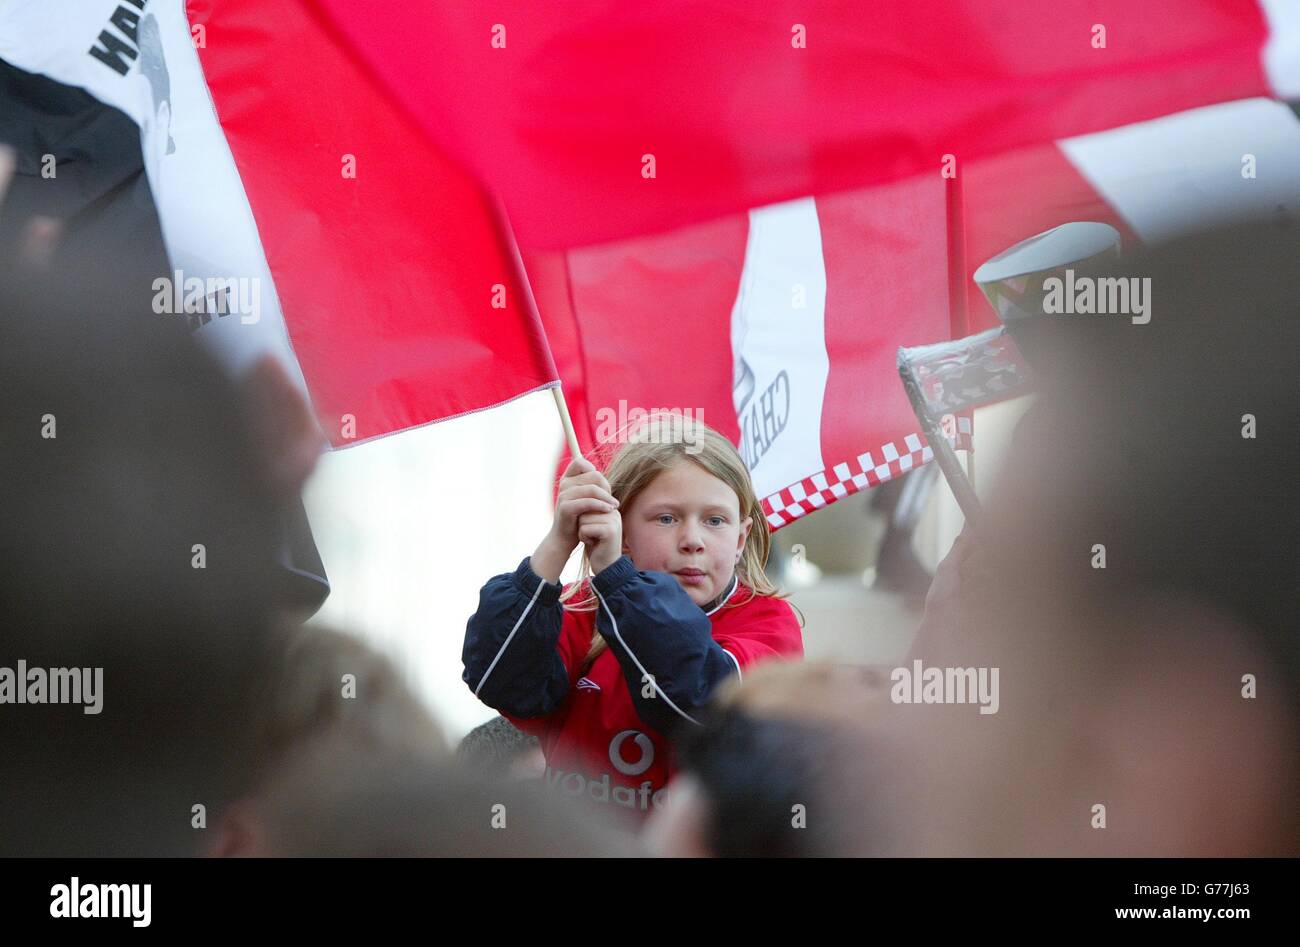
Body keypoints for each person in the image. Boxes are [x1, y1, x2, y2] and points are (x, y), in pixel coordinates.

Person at [461, 411, 804, 822]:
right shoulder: (582, 607)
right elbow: (500, 680)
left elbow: (702, 705)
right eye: (666, 518)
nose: (692, 540)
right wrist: (557, 544)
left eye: (715, 521)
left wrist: (619, 584)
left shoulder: (768, 621)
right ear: (620, 530)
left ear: (740, 538)